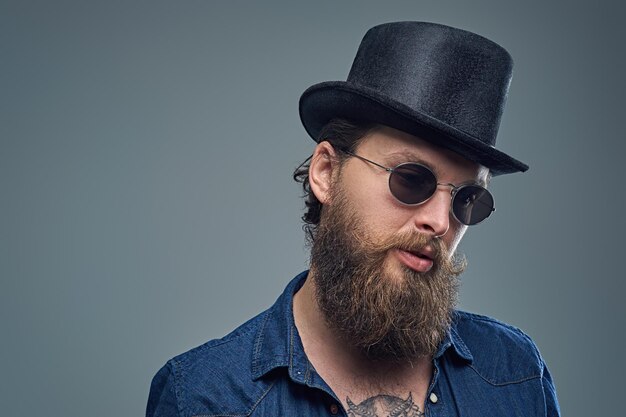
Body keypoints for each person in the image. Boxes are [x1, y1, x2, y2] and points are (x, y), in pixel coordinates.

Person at [146, 21, 560, 417]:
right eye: (411, 180)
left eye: (467, 199)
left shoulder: (516, 374)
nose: (439, 221)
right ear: (326, 172)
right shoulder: (206, 397)